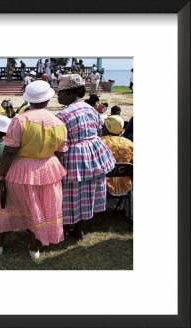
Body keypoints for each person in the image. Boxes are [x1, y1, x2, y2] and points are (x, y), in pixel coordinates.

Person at [0, 81, 68, 259]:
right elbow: (60, 152)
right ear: (48, 99)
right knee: (40, 209)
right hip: (49, 169)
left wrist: (1, 174)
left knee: (6, 205)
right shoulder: (59, 123)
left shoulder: (20, 120)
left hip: (21, 170)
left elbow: (9, 150)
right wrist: (51, 167)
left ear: (29, 100)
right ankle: (33, 247)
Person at [56, 74, 115, 239]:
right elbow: (99, 131)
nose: (58, 95)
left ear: (70, 92)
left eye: (60, 92)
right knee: (87, 191)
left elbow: (60, 143)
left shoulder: (63, 116)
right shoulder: (91, 109)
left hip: (73, 158)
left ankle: (67, 226)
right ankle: (79, 229)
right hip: (94, 156)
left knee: (70, 193)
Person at [101, 115, 133, 198]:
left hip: (103, 184)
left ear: (106, 128)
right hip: (126, 184)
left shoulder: (100, 143)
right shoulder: (129, 144)